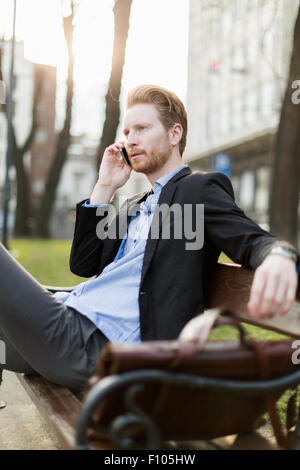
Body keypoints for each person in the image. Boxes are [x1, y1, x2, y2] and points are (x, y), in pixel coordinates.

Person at [0, 85, 299, 391]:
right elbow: (83, 264)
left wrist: (280, 255)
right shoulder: (135, 204)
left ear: (174, 134)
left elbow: (251, 239)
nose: (130, 139)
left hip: (96, 350)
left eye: (142, 128)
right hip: (63, 330)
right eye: (127, 131)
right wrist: (105, 186)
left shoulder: (197, 191)